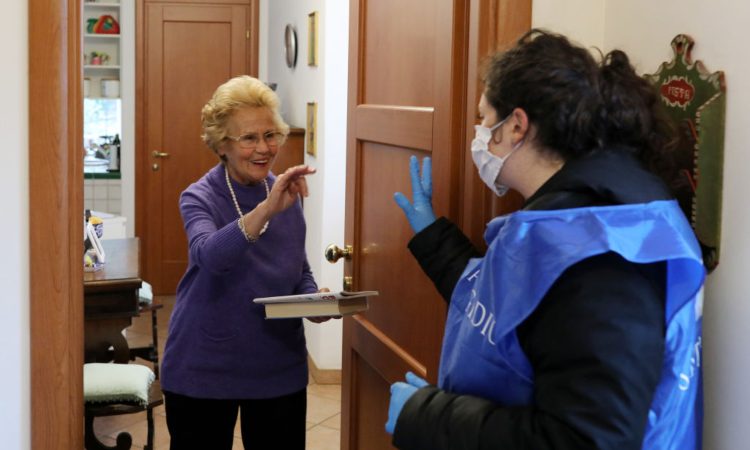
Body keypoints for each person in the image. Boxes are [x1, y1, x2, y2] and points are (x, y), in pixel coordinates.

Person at [387, 30, 706, 450]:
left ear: (516, 125)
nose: (479, 135)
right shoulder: (576, 215)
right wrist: (432, 236)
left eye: (484, 119)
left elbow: (585, 441)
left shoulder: (605, 251)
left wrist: (425, 415)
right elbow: (507, 303)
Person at [160, 75, 329, 449]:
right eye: (249, 138)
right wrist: (268, 209)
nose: (264, 148)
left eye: (271, 135)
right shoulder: (199, 197)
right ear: (222, 144)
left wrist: (313, 299)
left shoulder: (285, 195)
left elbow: (297, 269)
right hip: (204, 366)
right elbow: (211, 257)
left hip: (277, 366)